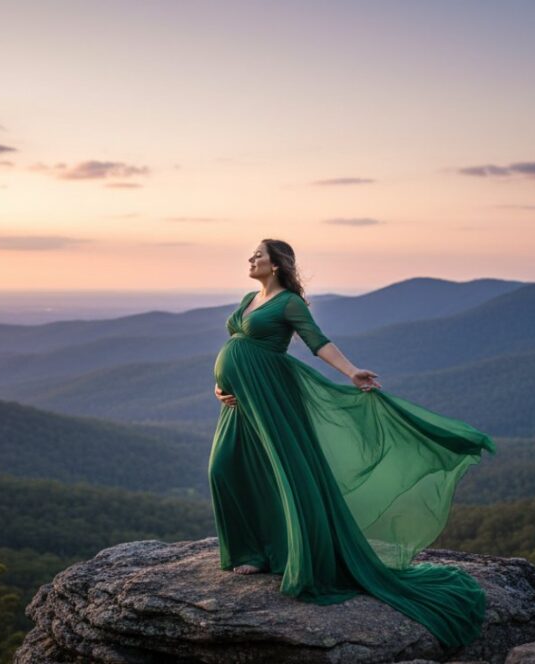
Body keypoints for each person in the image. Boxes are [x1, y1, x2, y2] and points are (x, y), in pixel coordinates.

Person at [208, 238, 496, 648]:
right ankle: (251, 550)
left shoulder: (290, 303)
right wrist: (220, 386)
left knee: (282, 470)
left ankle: (277, 554)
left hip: (272, 399)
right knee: (226, 467)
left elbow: (317, 342)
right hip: (240, 402)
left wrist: (351, 372)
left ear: (277, 264)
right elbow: (235, 347)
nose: (250, 259)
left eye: (258, 254)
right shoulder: (248, 298)